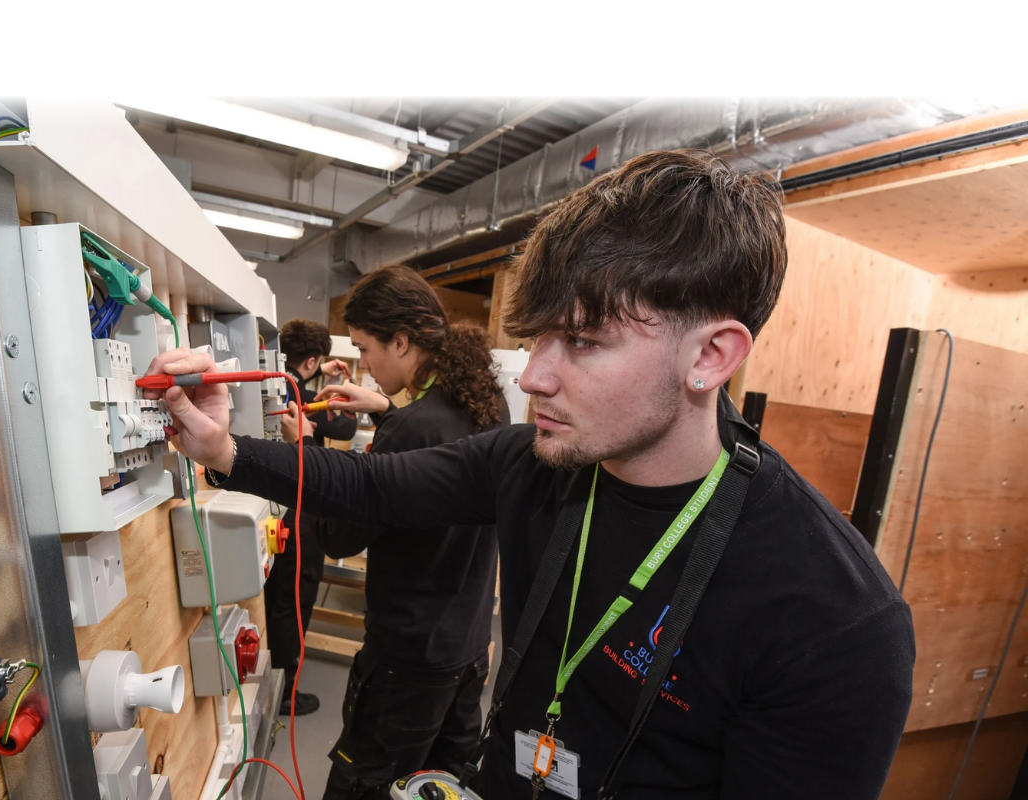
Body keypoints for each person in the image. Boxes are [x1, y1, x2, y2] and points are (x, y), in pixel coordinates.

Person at [147, 150, 915, 799]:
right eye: (539, 338)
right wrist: (224, 451)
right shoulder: (530, 464)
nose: (537, 377)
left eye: (581, 342)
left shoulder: (834, 620)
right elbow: (375, 487)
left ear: (711, 356)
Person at [279, 266, 509, 799]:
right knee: (443, 786)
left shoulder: (412, 429)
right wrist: (386, 411)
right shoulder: (484, 404)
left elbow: (338, 536)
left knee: (364, 787)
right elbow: (438, 458)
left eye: (366, 348)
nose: (364, 364)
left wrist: (306, 450)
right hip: (468, 650)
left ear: (401, 341)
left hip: (406, 664)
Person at [265, 319, 356, 716]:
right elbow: (348, 422)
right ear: (314, 359)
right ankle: (286, 691)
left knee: (280, 595)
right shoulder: (300, 398)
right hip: (301, 516)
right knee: (296, 597)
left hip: (276, 510)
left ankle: (278, 679)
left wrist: (320, 373)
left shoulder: (281, 386)